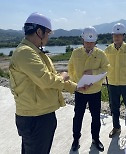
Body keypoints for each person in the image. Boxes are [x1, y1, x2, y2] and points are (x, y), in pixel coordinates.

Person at [9, 12, 82, 154]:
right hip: (35, 117)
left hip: (39, 113)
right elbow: (46, 79)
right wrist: (63, 77)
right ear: (39, 31)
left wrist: (76, 87)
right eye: (48, 33)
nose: (48, 37)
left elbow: (51, 76)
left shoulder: (35, 52)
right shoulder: (26, 52)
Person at [68, 26, 109, 152]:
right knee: (78, 116)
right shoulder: (76, 53)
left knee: (96, 117)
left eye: (92, 42)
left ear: (95, 42)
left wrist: (93, 73)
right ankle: (76, 139)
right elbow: (71, 69)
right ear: (82, 40)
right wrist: (77, 83)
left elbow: (106, 69)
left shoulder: (101, 54)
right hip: (80, 90)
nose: (89, 44)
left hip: (95, 91)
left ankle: (95, 139)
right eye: (87, 42)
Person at [104, 23, 126, 139]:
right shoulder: (108, 50)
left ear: (123, 36)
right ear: (112, 36)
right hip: (112, 83)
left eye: (119, 35)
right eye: (114, 35)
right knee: (114, 107)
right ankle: (116, 127)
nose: (116, 37)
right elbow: (105, 65)